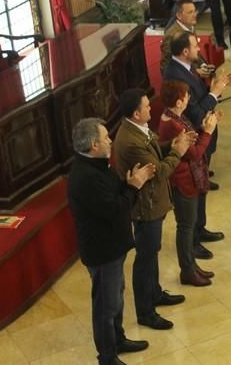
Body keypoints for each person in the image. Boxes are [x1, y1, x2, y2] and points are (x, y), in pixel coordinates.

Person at [68, 118, 154, 365]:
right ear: (94, 144)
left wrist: (128, 183)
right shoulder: (86, 177)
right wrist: (135, 186)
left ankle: (118, 339)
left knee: (116, 296)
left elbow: (116, 189)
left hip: (113, 246)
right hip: (102, 251)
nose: (110, 141)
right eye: (106, 137)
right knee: (105, 307)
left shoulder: (98, 166)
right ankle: (107, 357)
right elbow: (115, 209)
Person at [112, 89, 193, 330]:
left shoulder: (137, 129)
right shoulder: (129, 141)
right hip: (145, 207)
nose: (151, 109)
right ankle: (145, 311)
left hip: (153, 203)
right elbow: (158, 172)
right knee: (145, 258)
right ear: (136, 113)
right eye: (147, 107)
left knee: (152, 251)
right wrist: (178, 152)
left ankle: (155, 292)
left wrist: (172, 144)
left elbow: (156, 148)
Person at [163, 33, 231, 256]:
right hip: (195, 134)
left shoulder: (187, 67)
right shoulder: (176, 75)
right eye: (195, 45)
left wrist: (212, 85)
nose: (199, 47)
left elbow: (198, 95)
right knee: (194, 187)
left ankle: (200, 228)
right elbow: (194, 111)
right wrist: (215, 92)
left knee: (202, 184)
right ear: (184, 51)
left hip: (203, 132)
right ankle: (192, 240)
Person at [157, 81, 219, 287]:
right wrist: (208, 132)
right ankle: (187, 270)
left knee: (189, 226)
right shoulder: (173, 124)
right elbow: (193, 153)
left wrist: (201, 128)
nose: (188, 99)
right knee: (186, 227)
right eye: (185, 96)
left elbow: (191, 139)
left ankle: (192, 266)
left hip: (186, 177)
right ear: (178, 101)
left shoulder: (174, 116)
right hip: (183, 181)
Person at [160, 0, 198, 74]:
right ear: (179, 15)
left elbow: (194, 51)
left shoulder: (191, 27)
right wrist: (194, 72)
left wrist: (203, 65)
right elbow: (166, 66)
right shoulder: (171, 36)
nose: (195, 15)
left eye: (195, 11)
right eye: (190, 12)